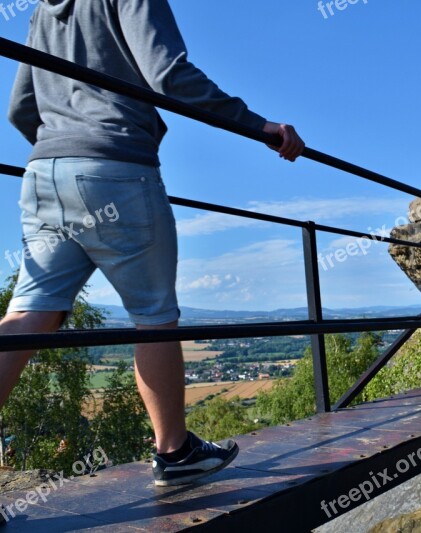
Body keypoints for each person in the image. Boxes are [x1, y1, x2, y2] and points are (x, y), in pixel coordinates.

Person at [1, 0, 303, 488]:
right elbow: (168, 73)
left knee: (29, 314)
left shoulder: (40, 9)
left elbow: (20, 108)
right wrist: (259, 126)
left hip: (43, 172)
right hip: (117, 167)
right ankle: (175, 453)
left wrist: (60, 144)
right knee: (154, 315)